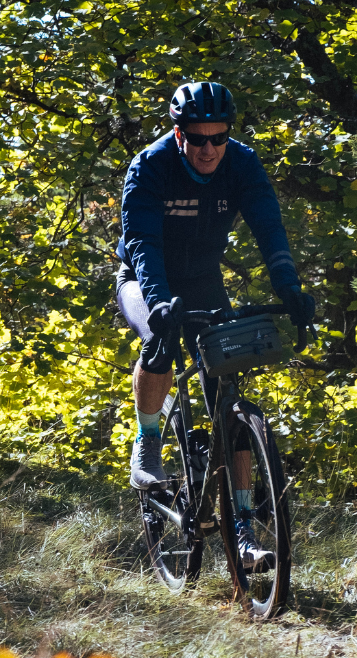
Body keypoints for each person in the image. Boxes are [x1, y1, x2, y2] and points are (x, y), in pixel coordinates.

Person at [116, 79, 315, 568]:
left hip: (203, 278)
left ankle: (243, 529)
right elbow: (141, 242)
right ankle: (148, 443)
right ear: (179, 134)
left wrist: (289, 286)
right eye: (198, 138)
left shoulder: (242, 163)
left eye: (218, 137)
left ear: (228, 134)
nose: (209, 149)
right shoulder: (151, 165)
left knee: (227, 392)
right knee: (159, 342)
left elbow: (270, 225)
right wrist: (159, 302)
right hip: (145, 279)